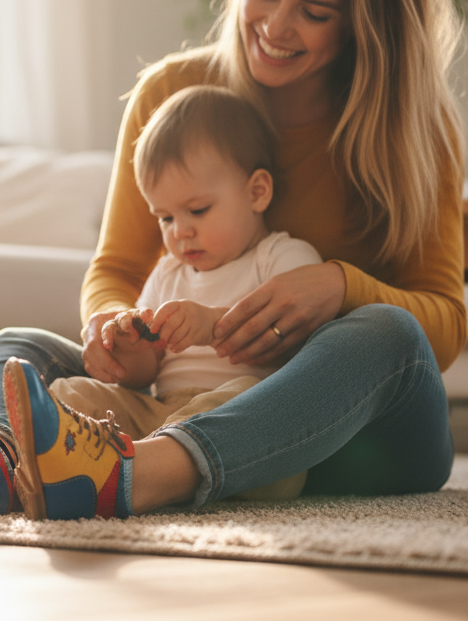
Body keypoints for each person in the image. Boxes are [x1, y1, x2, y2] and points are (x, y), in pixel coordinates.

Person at [0, 0, 466, 521]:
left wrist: (339, 287)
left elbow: (442, 322)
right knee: (21, 348)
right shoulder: (173, 97)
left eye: (314, 13)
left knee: (388, 331)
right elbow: (118, 270)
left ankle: (144, 475)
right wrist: (114, 330)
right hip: (169, 395)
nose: (273, 25)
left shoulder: (417, 129)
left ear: (365, 24)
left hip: (350, 430)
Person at [44, 84, 322, 504]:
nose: (181, 231)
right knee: (68, 392)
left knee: (244, 400)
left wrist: (211, 326)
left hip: (238, 420)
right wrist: (131, 351)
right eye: (165, 217)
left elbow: (301, 349)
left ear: (256, 192)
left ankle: (133, 470)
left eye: (197, 210)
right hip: (161, 414)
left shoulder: (283, 258)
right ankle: (86, 463)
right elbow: (144, 379)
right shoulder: (167, 271)